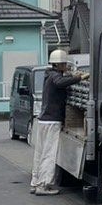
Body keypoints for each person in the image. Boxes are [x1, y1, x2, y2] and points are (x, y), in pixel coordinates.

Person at [30, 48, 81, 196]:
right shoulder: (55, 77)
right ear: (58, 65)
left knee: (40, 153)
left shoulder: (48, 75)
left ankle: (35, 182)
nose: (66, 66)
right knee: (49, 153)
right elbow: (61, 82)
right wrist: (79, 78)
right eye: (64, 64)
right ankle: (43, 184)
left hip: (43, 120)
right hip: (52, 120)